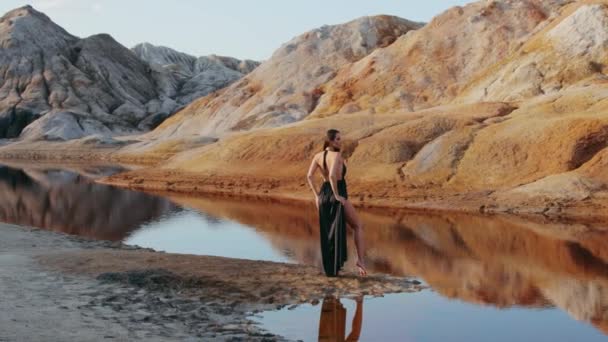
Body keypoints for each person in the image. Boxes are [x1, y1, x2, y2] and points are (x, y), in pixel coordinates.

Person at [307, 129, 367, 277]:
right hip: (336, 193)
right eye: (338, 139)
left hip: (323, 195)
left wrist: (316, 196)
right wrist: (336, 195)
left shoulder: (318, 156)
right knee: (358, 226)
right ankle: (360, 261)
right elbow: (333, 175)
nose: (341, 141)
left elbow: (309, 176)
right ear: (331, 141)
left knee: (330, 232)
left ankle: (333, 268)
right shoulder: (337, 155)